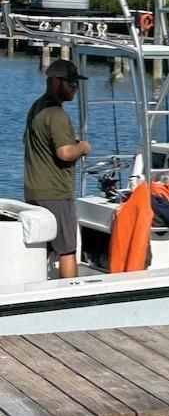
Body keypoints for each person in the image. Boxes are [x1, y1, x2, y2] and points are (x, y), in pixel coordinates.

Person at [24, 59, 92, 279]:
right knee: (67, 250)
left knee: (43, 250)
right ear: (55, 81)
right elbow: (64, 152)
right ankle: (70, 300)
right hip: (56, 194)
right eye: (71, 82)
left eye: (76, 83)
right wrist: (82, 147)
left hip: (34, 192)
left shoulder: (37, 107)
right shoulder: (57, 114)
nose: (75, 88)